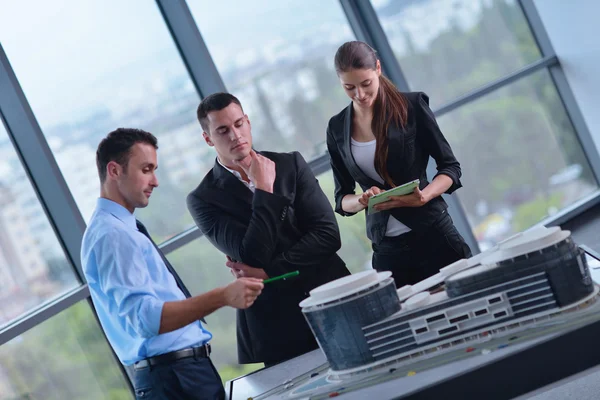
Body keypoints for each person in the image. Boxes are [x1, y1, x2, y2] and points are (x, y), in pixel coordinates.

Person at [81, 128, 264, 400]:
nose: (155, 181)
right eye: (146, 169)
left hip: (180, 375)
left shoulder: (120, 229)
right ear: (114, 170)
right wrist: (223, 296)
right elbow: (147, 319)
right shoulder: (113, 235)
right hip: (175, 379)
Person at [187, 93, 350, 367]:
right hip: (278, 323)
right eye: (223, 130)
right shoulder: (202, 199)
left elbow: (328, 236)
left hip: (331, 294)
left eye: (239, 124)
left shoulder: (291, 164)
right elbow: (252, 255)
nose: (235, 135)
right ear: (208, 138)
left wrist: (268, 272)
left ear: (248, 122)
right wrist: (264, 189)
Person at [326, 41, 472, 289]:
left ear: (378, 69)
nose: (359, 95)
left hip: (435, 235)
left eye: (366, 84)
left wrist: (424, 196)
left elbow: (451, 168)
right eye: (349, 87)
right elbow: (342, 199)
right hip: (388, 253)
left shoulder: (412, 106)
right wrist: (361, 200)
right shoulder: (337, 127)